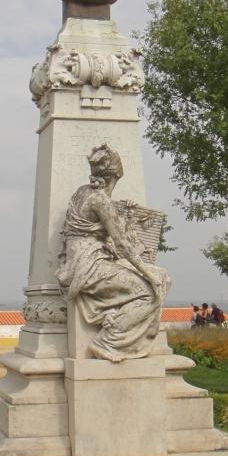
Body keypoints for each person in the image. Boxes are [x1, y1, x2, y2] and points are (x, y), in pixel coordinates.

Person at [57, 144, 169, 361]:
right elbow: (123, 244)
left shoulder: (82, 192)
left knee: (162, 276)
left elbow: (96, 224)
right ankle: (108, 341)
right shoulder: (101, 201)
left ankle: (115, 318)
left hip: (85, 260)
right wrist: (148, 273)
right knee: (151, 290)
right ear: (115, 176)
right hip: (90, 265)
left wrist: (126, 213)